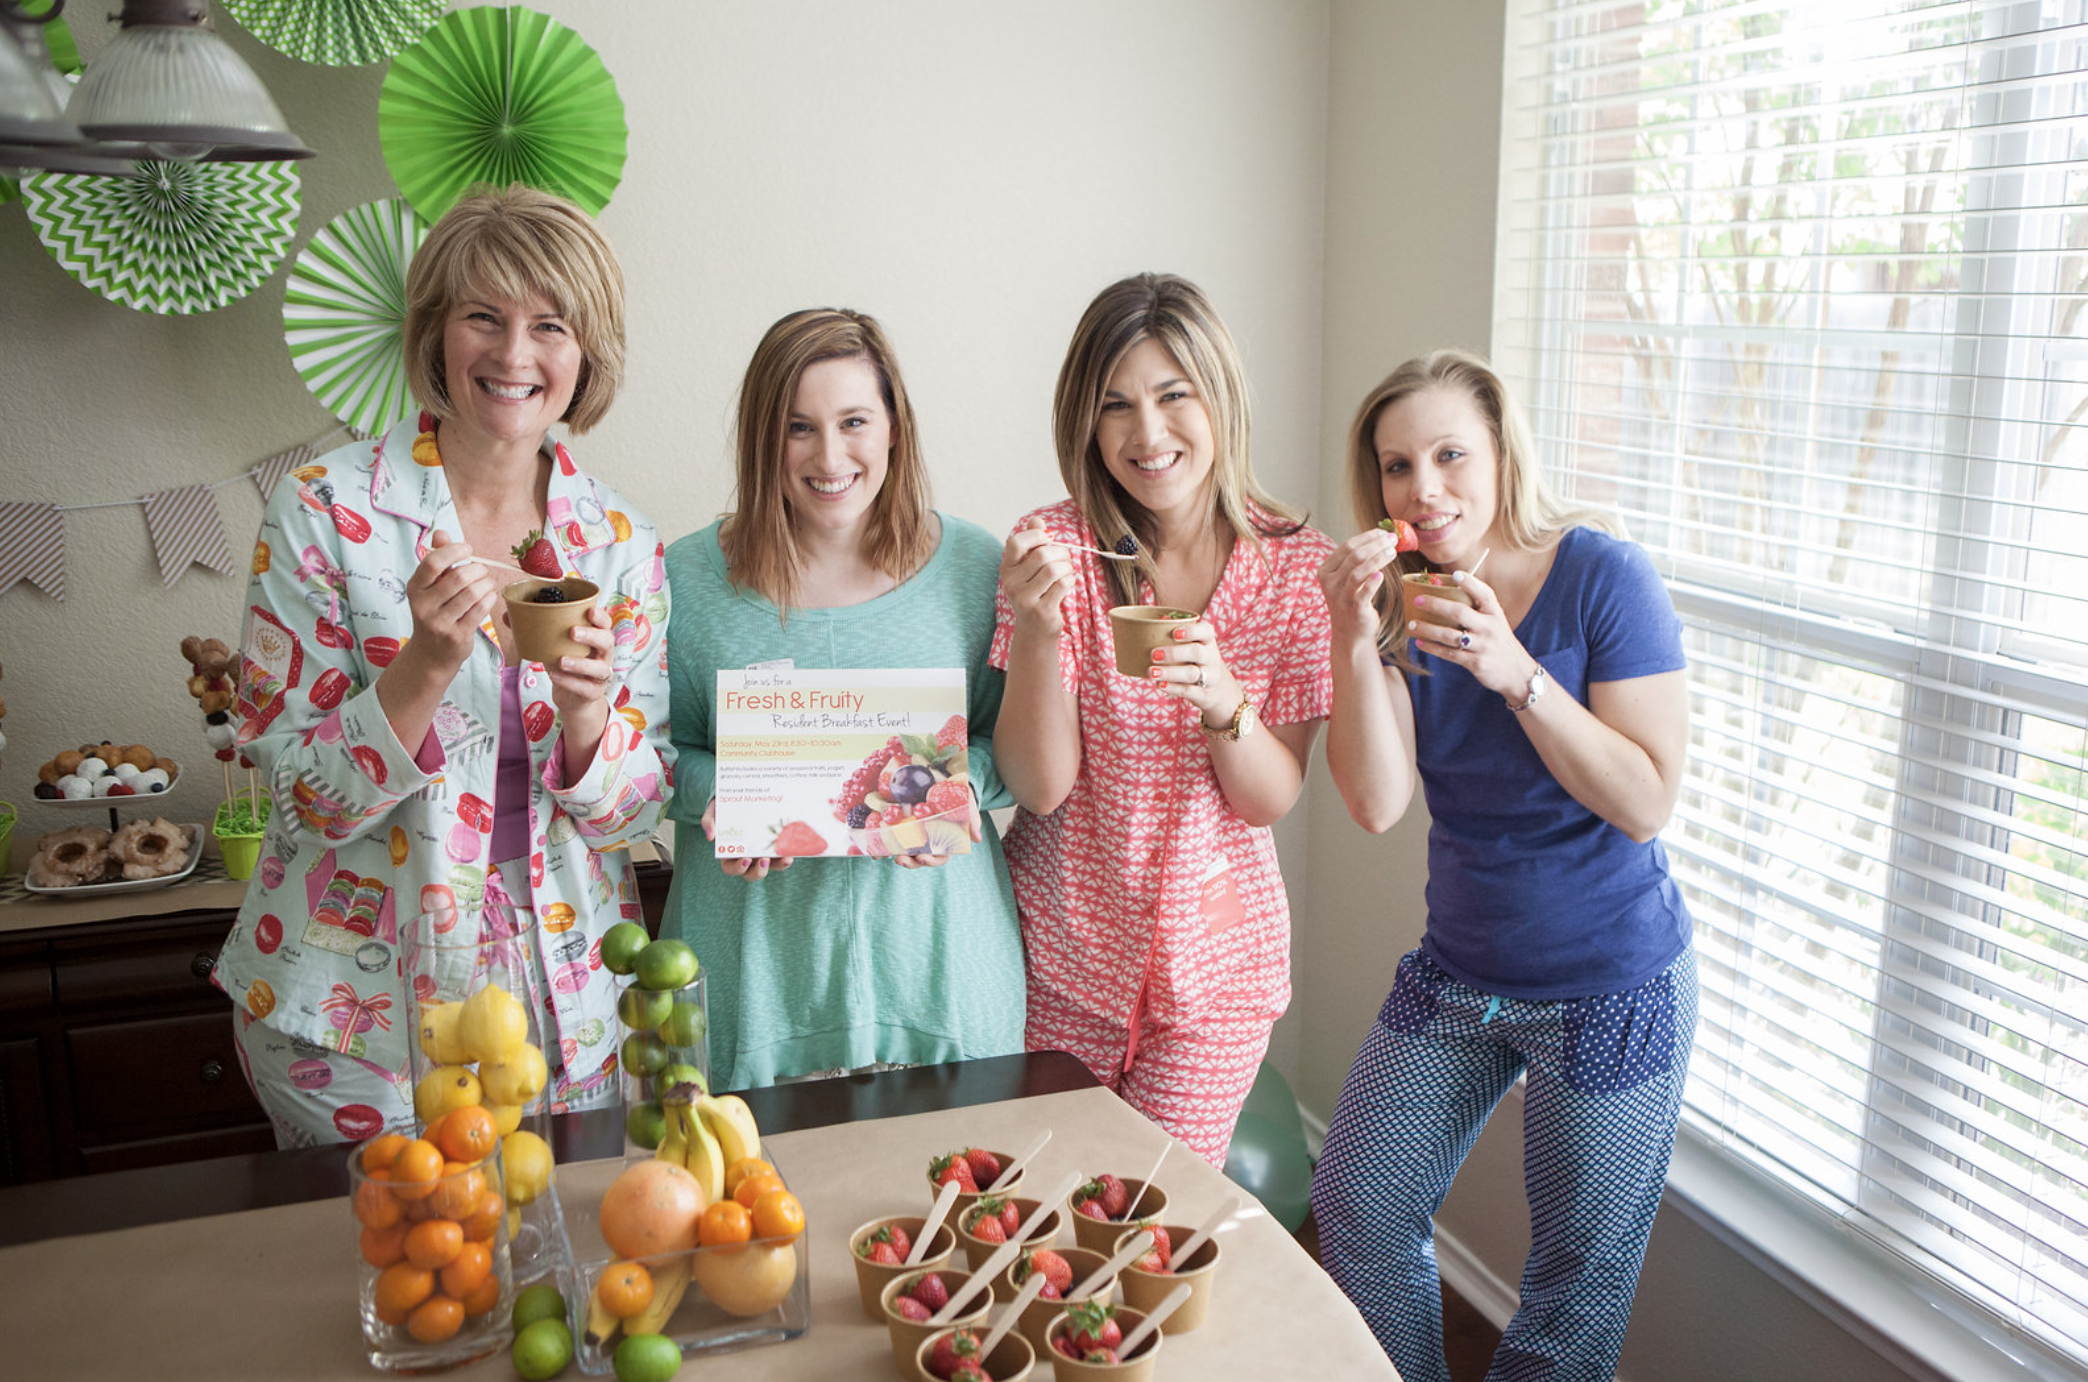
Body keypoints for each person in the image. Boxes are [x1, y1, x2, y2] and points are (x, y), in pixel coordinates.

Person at [212, 184, 674, 1145]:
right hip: (358, 1011)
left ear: (586, 354)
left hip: (567, 1000)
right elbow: (305, 799)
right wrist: (422, 665)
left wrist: (589, 720)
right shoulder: (323, 512)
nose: (514, 354)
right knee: (405, 1281)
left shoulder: (620, 542)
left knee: (555, 1276)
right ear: (435, 334)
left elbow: (636, 812)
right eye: (483, 317)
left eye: (550, 324)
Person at [1307, 349, 1695, 1380]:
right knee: (1355, 1205)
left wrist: (1515, 672)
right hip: (1459, 974)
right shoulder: (1399, 606)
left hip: (1610, 984)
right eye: (1397, 466)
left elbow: (1645, 798)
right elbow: (1376, 803)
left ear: (1499, 453)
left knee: (1572, 1289)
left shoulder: (1602, 577)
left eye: (1448, 455)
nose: (1423, 489)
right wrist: (1351, 633)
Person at [992, 273, 1331, 1167]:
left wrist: (1225, 702)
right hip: (1057, 957)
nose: (1147, 433)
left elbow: (1269, 801)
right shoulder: (1053, 549)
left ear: (1218, 396)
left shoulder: (1297, 570)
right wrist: (1036, 630)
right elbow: (1039, 785)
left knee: (1149, 1225)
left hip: (1216, 973)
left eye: (1173, 395)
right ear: (1086, 422)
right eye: (1115, 405)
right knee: (1032, 1211)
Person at [661, 308, 1021, 1091]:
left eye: (854, 420)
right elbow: (657, 752)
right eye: (798, 428)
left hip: (939, 965)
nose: (830, 456)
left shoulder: (974, 568)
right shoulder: (685, 580)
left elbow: (1016, 751)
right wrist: (719, 793)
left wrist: (953, 792)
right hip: (753, 972)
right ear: (764, 440)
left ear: (894, 427)